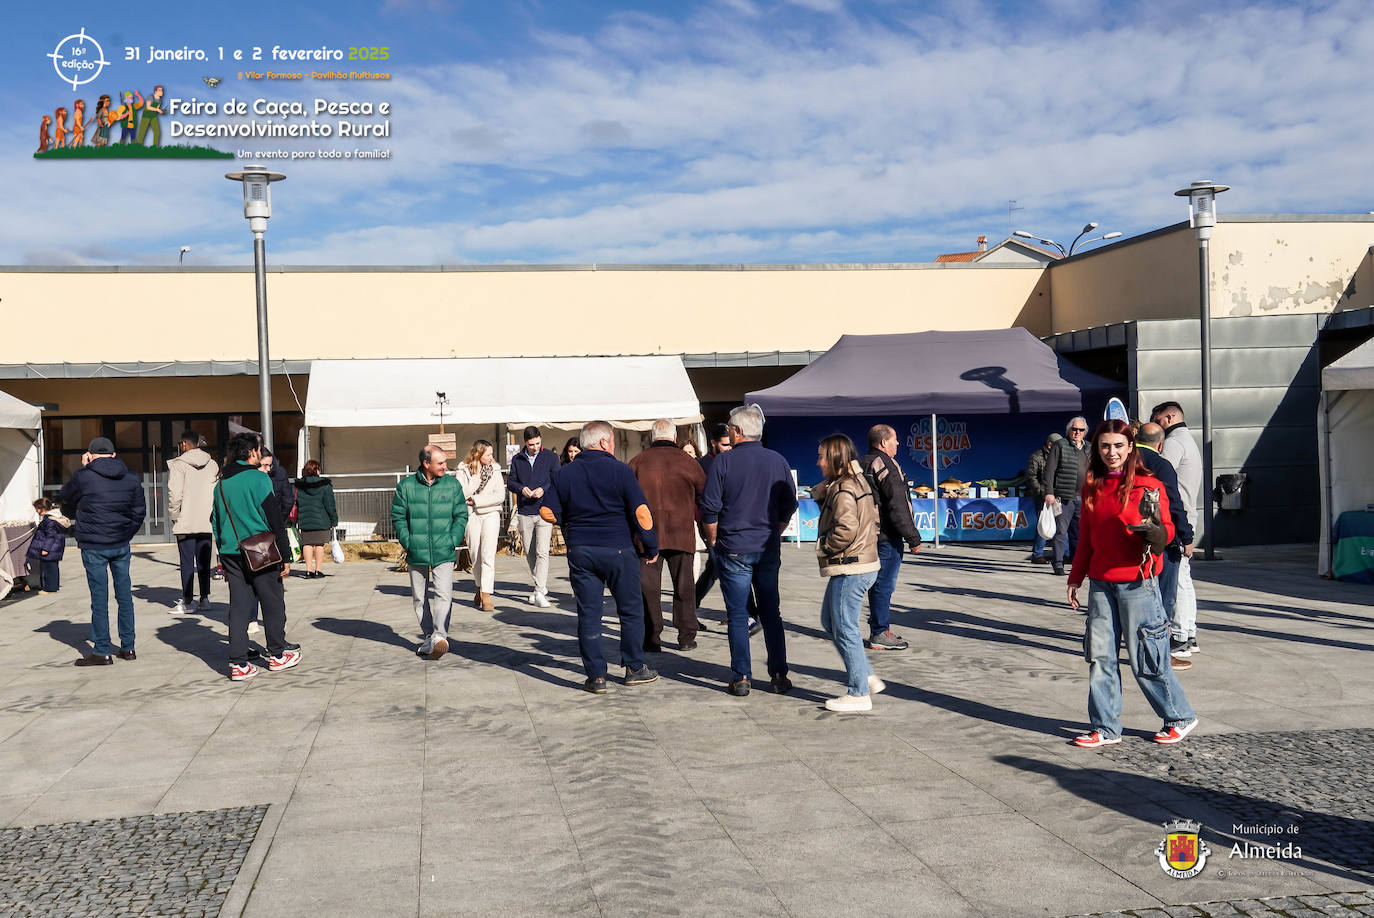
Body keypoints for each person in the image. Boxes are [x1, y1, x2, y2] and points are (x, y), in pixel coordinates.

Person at [1067, 419, 1198, 747]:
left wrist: (1157, 535)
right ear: (1097, 449)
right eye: (1105, 446)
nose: (1112, 453)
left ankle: (1180, 716)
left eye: (1118, 446)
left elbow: (1167, 528)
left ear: (1131, 448)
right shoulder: (1092, 486)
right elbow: (1086, 538)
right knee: (1100, 658)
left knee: (1147, 658)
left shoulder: (1147, 484)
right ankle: (1105, 727)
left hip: (1138, 582)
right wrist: (1075, 577)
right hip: (1100, 583)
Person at [540, 420, 660, 693]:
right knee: (630, 611)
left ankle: (596, 677)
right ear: (605, 441)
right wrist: (651, 547)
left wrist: (568, 522)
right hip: (619, 550)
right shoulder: (621, 471)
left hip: (581, 551)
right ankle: (634, 667)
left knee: (589, 614)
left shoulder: (564, 474)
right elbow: (641, 513)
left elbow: (546, 511)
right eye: (614, 440)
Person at [699, 404, 798, 697]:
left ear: (738, 431)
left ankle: (742, 676)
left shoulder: (724, 462)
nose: (728, 433)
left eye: (730, 429)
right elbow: (790, 503)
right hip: (766, 546)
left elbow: (710, 508)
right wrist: (776, 531)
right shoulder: (777, 460)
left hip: (734, 548)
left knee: (738, 615)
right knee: (771, 613)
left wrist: (714, 539)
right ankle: (779, 674)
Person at [212, 434, 298, 681]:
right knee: (272, 601)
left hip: (230, 551)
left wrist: (221, 559)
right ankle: (278, 655)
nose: (260, 454)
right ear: (252, 452)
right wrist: (285, 554)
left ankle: (238, 664)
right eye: (259, 450)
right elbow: (274, 519)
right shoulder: (259, 479)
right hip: (260, 550)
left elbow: (216, 522)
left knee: (239, 606)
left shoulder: (221, 484)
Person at [813, 435, 887, 712]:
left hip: (852, 566)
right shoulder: (851, 483)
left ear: (834, 458)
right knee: (830, 622)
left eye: (821, 456)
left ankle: (858, 693)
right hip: (858, 563)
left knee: (844, 628)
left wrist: (824, 547)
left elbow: (845, 528)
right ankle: (865, 675)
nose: (817, 462)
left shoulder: (845, 488)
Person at [58, 437, 146, 666]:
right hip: (120, 543)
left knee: (100, 598)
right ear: (114, 454)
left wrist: (83, 467)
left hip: (94, 545)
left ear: (90, 454)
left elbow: (65, 497)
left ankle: (102, 650)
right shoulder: (130, 476)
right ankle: (128, 648)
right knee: (124, 596)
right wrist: (126, 533)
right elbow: (139, 511)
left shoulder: (84, 476)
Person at [629, 419, 707, 652]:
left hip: (646, 535)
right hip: (681, 533)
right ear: (674, 437)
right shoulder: (689, 462)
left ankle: (652, 638)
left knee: (648, 588)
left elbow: (625, 498)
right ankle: (686, 636)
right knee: (684, 587)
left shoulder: (637, 461)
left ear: (653, 437)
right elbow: (704, 497)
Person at [392, 445, 468, 660]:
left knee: (444, 594)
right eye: (440, 463)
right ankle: (430, 637)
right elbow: (398, 517)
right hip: (416, 551)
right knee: (419, 598)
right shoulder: (406, 486)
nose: (445, 466)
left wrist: (452, 540)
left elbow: (461, 515)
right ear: (426, 464)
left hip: (444, 550)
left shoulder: (452, 485)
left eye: (445, 462)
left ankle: (439, 636)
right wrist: (409, 542)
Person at [1135, 422, 1194, 669]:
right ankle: (1159, 655)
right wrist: (1187, 536)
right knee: (1163, 599)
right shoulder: (1161, 465)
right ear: (1160, 444)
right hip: (1162, 541)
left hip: (1129, 538)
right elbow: (1174, 503)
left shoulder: (1123, 459)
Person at [693, 423, 759, 635]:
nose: (729, 448)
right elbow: (699, 500)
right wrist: (705, 526)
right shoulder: (702, 465)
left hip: (733, 526)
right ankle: (748, 613)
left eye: (731, 444)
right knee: (728, 568)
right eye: (724, 445)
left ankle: (690, 606)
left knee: (716, 569)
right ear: (713, 443)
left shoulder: (736, 461)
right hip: (712, 527)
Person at [1150, 401, 1204, 661]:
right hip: (1187, 514)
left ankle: (1181, 636)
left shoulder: (1173, 443)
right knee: (1185, 577)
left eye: (1157, 419)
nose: (1155, 425)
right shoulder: (1188, 439)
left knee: (1178, 580)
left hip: (1177, 517)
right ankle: (1188, 633)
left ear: (1170, 417)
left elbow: (1162, 477)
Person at [860, 424, 922, 651]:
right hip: (886, 537)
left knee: (870, 585)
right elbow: (898, 505)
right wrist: (913, 538)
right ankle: (879, 632)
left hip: (865, 536)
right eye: (895, 440)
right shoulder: (886, 464)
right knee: (883, 586)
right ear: (884, 442)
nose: (898, 444)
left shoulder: (861, 463)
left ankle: (875, 629)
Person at [508, 426, 559, 607]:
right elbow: (511, 481)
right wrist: (522, 488)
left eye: (538, 443)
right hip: (525, 511)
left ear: (540, 439)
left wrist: (543, 489)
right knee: (529, 552)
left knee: (542, 551)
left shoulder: (551, 458)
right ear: (525, 443)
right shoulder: (517, 459)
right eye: (531, 445)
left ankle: (539, 590)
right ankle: (540, 586)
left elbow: (556, 479)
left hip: (545, 510)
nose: (535, 447)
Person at [167, 429, 217, 613]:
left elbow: (174, 494)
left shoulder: (179, 465)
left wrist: (174, 516)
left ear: (185, 444)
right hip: (206, 520)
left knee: (186, 562)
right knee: (204, 562)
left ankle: (188, 601)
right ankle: (205, 598)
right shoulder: (212, 464)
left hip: (186, 521)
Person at [456, 439, 504, 612]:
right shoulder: (463, 470)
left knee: (488, 554)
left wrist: (476, 500)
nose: (492, 457)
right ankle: (479, 586)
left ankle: (486, 594)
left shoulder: (495, 470)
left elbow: (500, 495)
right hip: (472, 516)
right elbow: (460, 494)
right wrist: (475, 480)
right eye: (488, 454)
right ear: (478, 454)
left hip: (491, 513)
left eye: (492, 454)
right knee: (475, 554)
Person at [1042, 416, 1090, 576]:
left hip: (1083, 497)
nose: (1077, 432)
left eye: (1080, 430)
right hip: (1063, 496)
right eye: (1074, 429)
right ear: (1069, 430)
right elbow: (1049, 470)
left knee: (1080, 533)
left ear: (1085, 432)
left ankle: (1078, 562)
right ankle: (1058, 563)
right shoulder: (1060, 445)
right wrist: (1049, 492)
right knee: (1061, 531)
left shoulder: (1089, 448)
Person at [293, 460, 338, 578]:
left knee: (307, 544)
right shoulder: (325, 485)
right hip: (321, 519)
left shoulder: (299, 485)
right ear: (317, 470)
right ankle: (318, 570)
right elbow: (330, 504)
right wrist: (334, 519)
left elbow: (295, 502)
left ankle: (308, 570)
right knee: (319, 545)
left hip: (304, 519)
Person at [1025, 434, 1059, 563]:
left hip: (1058, 495)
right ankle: (1037, 554)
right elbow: (1031, 476)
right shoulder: (1037, 456)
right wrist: (1041, 492)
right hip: (1042, 497)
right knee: (1043, 524)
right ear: (1050, 444)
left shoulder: (1059, 456)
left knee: (1061, 526)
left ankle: (1065, 553)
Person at [27, 498, 69, 594]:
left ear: (42, 508)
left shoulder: (49, 520)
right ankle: (54, 586)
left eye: (37, 509)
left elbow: (50, 536)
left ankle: (50, 588)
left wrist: (46, 549)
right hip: (55, 548)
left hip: (50, 549)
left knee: (49, 569)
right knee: (53, 568)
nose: (36, 511)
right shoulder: (53, 518)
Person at [258, 448, 296, 520]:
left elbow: (288, 501)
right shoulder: (280, 472)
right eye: (265, 465)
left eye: (269, 465)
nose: (268, 469)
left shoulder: (279, 473)